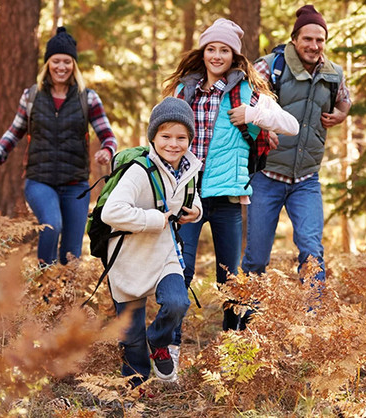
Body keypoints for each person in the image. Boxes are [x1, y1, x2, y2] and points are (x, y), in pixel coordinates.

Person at [161, 18, 299, 338]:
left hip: (227, 198)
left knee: (230, 279)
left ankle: (232, 344)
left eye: (224, 50)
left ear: (235, 56)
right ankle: (171, 343)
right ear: (203, 52)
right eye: (211, 49)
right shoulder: (186, 90)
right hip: (188, 196)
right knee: (181, 270)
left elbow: (290, 125)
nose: (217, 56)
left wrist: (253, 115)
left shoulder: (246, 93)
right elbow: (165, 134)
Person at [0, 27, 117, 266]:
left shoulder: (88, 98)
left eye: (67, 61)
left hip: (76, 184)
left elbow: (107, 134)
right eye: (56, 61)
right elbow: (14, 132)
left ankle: (66, 301)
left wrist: (107, 150)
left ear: (74, 65)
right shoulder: (32, 96)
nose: (61, 67)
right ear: (48, 64)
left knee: (72, 252)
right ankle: (45, 289)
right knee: (51, 224)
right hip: (39, 181)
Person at [242, 5, 351, 285]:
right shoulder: (269, 66)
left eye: (320, 40)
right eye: (307, 39)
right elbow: (242, 103)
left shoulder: (333, 73)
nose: (314, 46)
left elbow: (345, 99)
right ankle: (244, 324)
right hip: (266, 176)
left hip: (306, 180)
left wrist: (342, 113)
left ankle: (309, 325)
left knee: (312, 253)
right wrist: (263, 129)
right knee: (256, 259)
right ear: (294, 39)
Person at [101, 97, 202, 386]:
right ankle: (136, 389)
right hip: (128, 258)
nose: (174, 144)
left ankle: (158, 342)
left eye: (181, 137)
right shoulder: (138, 170)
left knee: (176, 302)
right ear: (153, 138)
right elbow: (111, 212)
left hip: (164, 255)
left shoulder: (190, 168)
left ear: (189, 139)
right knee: (131, 340)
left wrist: (197, 211)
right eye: (166, 136)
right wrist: (155, 219)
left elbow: (191, 198)